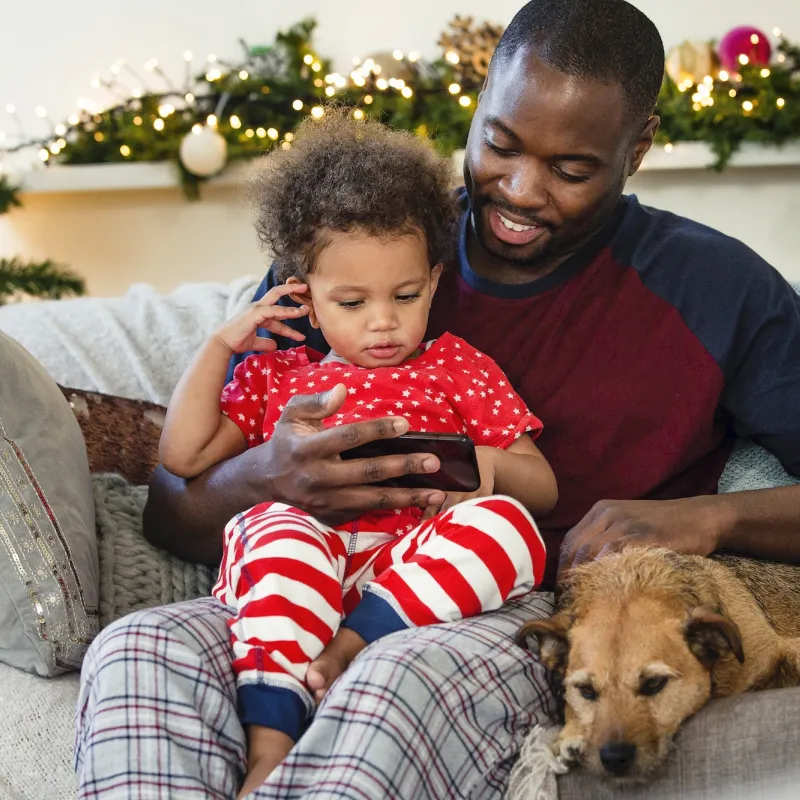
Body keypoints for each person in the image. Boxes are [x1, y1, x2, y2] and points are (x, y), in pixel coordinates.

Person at [74, 0, 800, 798]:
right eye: (500, 144)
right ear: (480, 102)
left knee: (393, 684)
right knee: (135, 651)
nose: (520, 190)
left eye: (571, 170)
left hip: (498, 609)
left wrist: (713, 515)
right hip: (301, 583)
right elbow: (170, 508)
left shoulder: (720, 292)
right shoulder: (358, 253)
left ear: (640, 148)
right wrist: (272, 475)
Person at [157, 111, 555, 796]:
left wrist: (475, 472)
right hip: (309, 557)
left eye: (405, 296)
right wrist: (220, 347)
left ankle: (354, 644)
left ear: (433, 282)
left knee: (512, 528)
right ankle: (271, 746)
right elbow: (184, 456)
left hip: (415, 577)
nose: (382, 320)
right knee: (272, 528)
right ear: (305, 298)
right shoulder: (279, 377)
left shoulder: (457, 365)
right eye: (351, 300)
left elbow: (541, 487)